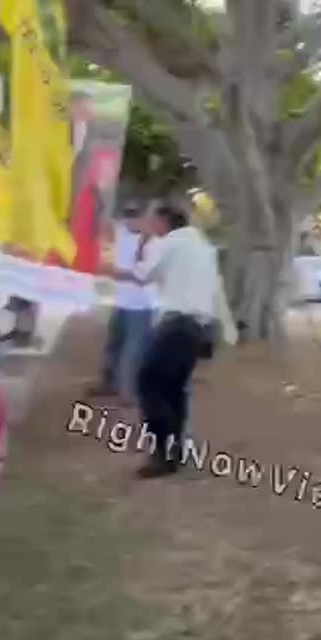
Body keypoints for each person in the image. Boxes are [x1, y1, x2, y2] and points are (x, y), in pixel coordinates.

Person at [102, 201, 230, 479]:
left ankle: (162, 453)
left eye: (151, 221)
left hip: (177, 324)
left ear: (163, 221)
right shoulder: (201, 245)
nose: (148, 227)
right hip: (200, 328)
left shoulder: (170, 243)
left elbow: (142, 275)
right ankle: (174, 451)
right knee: (174, 389)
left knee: (149, 382)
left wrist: (110, 266)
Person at [88, 200, 155, 404]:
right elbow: (102, 226)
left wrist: (113, 273)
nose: (130, 219)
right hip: (122, 302)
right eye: (127, 214)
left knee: (133, 350)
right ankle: (111, 384)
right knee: (114, 345)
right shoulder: (122, 231)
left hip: (143, 306)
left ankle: (130, 392)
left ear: (146, 218)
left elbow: (143, 277)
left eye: (135, 215)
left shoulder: (153, 243)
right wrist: (97, 205)